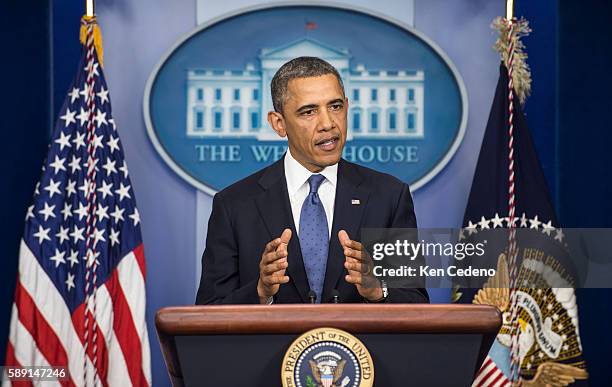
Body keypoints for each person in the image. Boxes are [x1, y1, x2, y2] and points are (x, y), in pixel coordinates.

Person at [195, 57, 428, 304]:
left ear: (347, 107)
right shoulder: (234, 205)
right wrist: (260, 292)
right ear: (279, 123)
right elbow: (209, 311)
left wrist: (378, 290)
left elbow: (415, 303)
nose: (328, 123)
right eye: (309, 111)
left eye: (336, 106)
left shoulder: (389, 196)